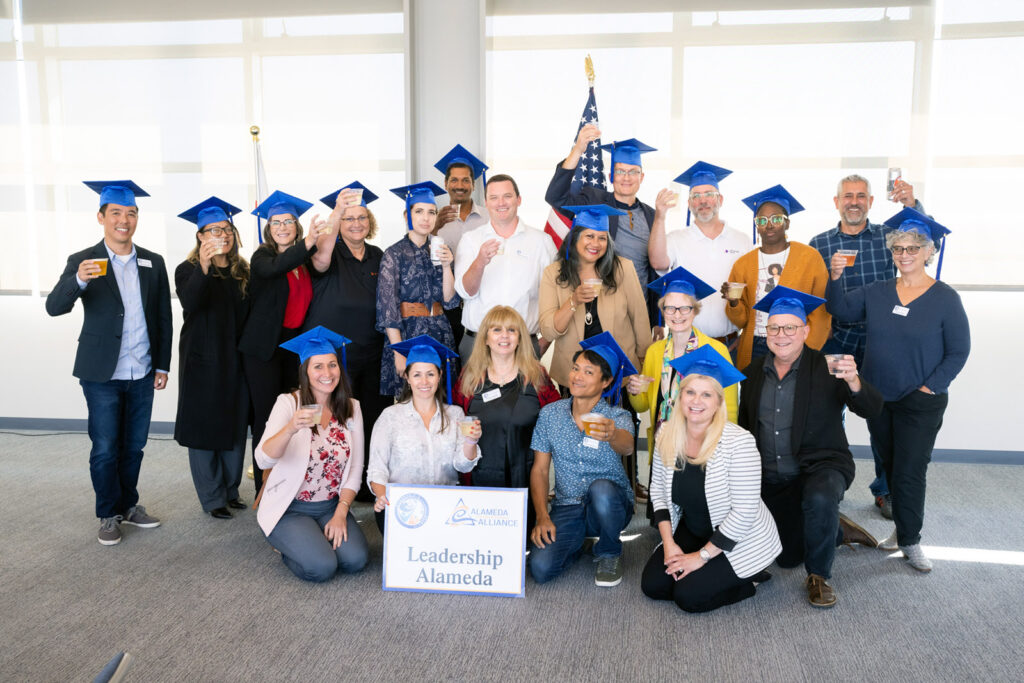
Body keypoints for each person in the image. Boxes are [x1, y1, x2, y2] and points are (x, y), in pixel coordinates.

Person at [827, 208, 970, 573]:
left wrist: (929, 388)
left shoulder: (945, 298)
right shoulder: (877, 292)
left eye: (912, 248)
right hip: (880, 397)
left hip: (921, 401)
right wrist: (836, 277)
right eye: (898, 249)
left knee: (910, 470)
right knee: (890, 467)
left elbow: (958, 351)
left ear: (928, 252)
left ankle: (911, 540)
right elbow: (840, 309)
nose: (904, 255)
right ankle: (902, 527)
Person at [738, 288, 883, 608]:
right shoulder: (752, 372)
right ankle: (835, 530)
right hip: (772, 474)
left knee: (819, 498)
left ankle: (819, 576)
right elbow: (746, 427)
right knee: (787, 557)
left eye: (790, 327)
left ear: (805, 330)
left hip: (820, 466)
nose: (781, 335)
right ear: (766, 332)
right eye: (774, 328)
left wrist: (855, 382)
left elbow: (873, 409)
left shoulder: (831, 365)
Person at [45, 180, 171, 546]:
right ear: (101, 217)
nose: (124, 220)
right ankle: (107, 513)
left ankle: (129, 505)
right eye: (116, 213)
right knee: (104, 447)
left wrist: (162, 365)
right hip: (102, 374)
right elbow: (54, 307)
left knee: (134, 447)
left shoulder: (153, 262)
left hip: (142, 370)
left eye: (131, 213)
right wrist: (78, 281)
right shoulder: (84, 261)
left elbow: (163, 316)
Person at [809, 173, 926, 518]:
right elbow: (813, 295)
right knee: (827, 415)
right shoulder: (819, 243)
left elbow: (921, 243)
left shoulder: (889, 239)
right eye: (848, 195)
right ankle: (828, 484)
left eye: (861, 195)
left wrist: (912, 206)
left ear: (871, 202)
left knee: (882, 417)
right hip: (836, 340)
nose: (854, 201)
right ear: (837, 202)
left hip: (882, 342)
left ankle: (886, 489)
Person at [640, 346, 782, 613]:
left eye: (707, 394)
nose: (697, 401)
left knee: (688, 597)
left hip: (739, 538)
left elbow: (744, 512)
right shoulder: (666, 435)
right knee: (654, 586)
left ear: (718, 402)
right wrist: (670, 545)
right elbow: (658, 490)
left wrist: (700, 558)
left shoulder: (739, 443)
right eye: (690, 392)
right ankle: (706, 572)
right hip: (694, 528)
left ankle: (751, 580)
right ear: (680, 396)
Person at [255, 327, 368, 582]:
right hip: (290, 506)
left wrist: (341, 513)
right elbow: (263, 459)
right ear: (305, 370)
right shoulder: (288, 403)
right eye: (318, 366)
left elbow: (356, 467)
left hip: (330, 505)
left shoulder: (351, 408)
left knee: (356, 560)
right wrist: (291, 428)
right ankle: (284, 543)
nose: (327, 374)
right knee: (322, 567)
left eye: (332, 365)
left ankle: (314, 535)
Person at [627, 268, 738, 516]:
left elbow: (729, 407)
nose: (677, 315)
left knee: (695, 512)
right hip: (664, 440)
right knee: (664, 513)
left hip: (700, 443)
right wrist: (635, 391)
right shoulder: (655, 351)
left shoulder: (715, 349)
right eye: (670, 308)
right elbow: (643, 406)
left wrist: (722, 450)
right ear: (663, 311)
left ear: (695, 311)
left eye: (684, 308)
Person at [306, 182, 392, 499]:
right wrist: (337, 210)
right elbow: (321, 255)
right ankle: (335, 486)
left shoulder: (377, 255)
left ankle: (368, 484)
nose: (356, 223)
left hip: (373, 351)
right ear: (339, 223)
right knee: (339, 421)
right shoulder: (328, 251)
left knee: (371, 418)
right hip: (335, 357)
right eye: (349, 218)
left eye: (362, 217)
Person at [529, 336, 637, 587]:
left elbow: (629, 446)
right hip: (568, 505)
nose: (578, 376)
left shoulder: (615, 416)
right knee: (541, 569)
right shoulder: (550, 415)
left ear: (606, 381)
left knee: (601, 489)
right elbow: (540, 470)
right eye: (576, 368)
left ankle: (609, 551)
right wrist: (543, 516)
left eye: (589, 372)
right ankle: (577, 542)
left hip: (611, 505)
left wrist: (611, 435)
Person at [173, 197, 251, 519]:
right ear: (201, 237)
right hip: (202, 361)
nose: (222, 234)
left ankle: (231, 490)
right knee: (205, 430)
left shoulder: (243, 270)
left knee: (234, 426)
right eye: (214, 230)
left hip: (236, 359)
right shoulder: (187, 269)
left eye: (227, 229)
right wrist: (204, 267)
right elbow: (191, 302)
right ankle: (212, 497)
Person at [239, 190, 321, 492]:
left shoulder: (304, 261)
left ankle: (289, 482)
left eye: (288, 221)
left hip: (292, 348)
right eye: (276, 222)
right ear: (268, 228)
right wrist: (308, 243)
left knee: (291, 414)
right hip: (264, 349)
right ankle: (264, 486)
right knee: (265, 418)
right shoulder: (263, 256)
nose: (283, 226)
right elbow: (275, 268)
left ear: (296, 227)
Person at [453, 306, 560, 530]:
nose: (504, 336)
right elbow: (455, 425)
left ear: (520, 338)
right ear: (485, 338)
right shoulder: (469, 378)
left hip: (525, 476)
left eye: (512, 330)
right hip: (479, 479)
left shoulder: (537, 377)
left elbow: (557, 418)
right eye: (497, 330)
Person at [367, 336, 481, 533]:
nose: (424, 381)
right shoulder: (390, 417)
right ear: (407, 377)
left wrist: (471, 441)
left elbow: (462, 465)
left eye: (430, 374)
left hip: (444, 506)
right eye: (417, 375)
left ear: (440, 375)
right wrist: (382, 496)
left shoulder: (455, 415)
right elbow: (377, 468)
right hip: (401, 506)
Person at [538, 204, 652, 390]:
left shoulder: (622, 268)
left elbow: (639, 319)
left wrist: (643, 364)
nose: (596, 244)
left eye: (602, 238)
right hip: (573, 376)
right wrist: (573, 302)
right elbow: (549, 331)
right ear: (575, 238)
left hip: (618, 372)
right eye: (589, 236)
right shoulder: (554, 274)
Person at [453, 173, 557, 364]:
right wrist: (480, 261)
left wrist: (545, 341)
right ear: (486, 202)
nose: (501, 202)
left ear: (518, 200)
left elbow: (555, 295)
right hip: (477, 345)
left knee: (526, 395)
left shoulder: (542, 242)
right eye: (494, 197)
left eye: (507, 196)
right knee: (473, 394)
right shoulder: (471, 240)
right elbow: (464, 291)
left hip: (525, 344)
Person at [724, 185, 830, 370]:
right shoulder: (743, 264)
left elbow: (821, 312)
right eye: (762, 220)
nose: (769, 225)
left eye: (776, 219)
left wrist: (807, 349)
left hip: (794, 343)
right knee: (755, 397)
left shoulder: (809, 258)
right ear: (756, 224)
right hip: (756, 344)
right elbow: (741, 321)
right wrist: (733, 302)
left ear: (787, 223)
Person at [648, 161, 750, 353]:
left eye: (709, 195)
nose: (703, 201)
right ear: (689, 204)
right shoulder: (676, 239)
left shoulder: (741, 240)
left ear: (720, 199)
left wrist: (743, 337)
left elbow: (751, 292)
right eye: (696, 196)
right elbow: (657, 262)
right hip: (687, 343)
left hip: (730, 343)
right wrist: (660, 216)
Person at [545, 129, 658, 291]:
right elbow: (556, 198)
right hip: (600, 301)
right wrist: (578, 150)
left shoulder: (652, 215)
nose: (626, 178)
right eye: (620, 171)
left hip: (641, 304)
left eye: (633, 172)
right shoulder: (594, 200)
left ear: (642, 177)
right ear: (611, 176)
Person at [378, 182, 460, 398]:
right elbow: (388, 308)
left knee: (442, 399)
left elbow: (450, 301)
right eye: (419, 211)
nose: (426, 218)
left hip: (439, 334)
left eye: (431, 212)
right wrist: (398, 352)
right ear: (407, 215)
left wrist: (446, 266)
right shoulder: (393, 254)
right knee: (410, 400)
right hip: (407, 336)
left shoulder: (442, 249)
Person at [432, 144, 490, 350]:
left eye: (466, 180)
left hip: (482, 300)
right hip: (447, 306)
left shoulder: (488, 217)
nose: (460, 185)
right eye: (454, 180)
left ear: (473, 185)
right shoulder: (432, 219)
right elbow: (421, 257)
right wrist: (434, 227)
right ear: (446, 183)